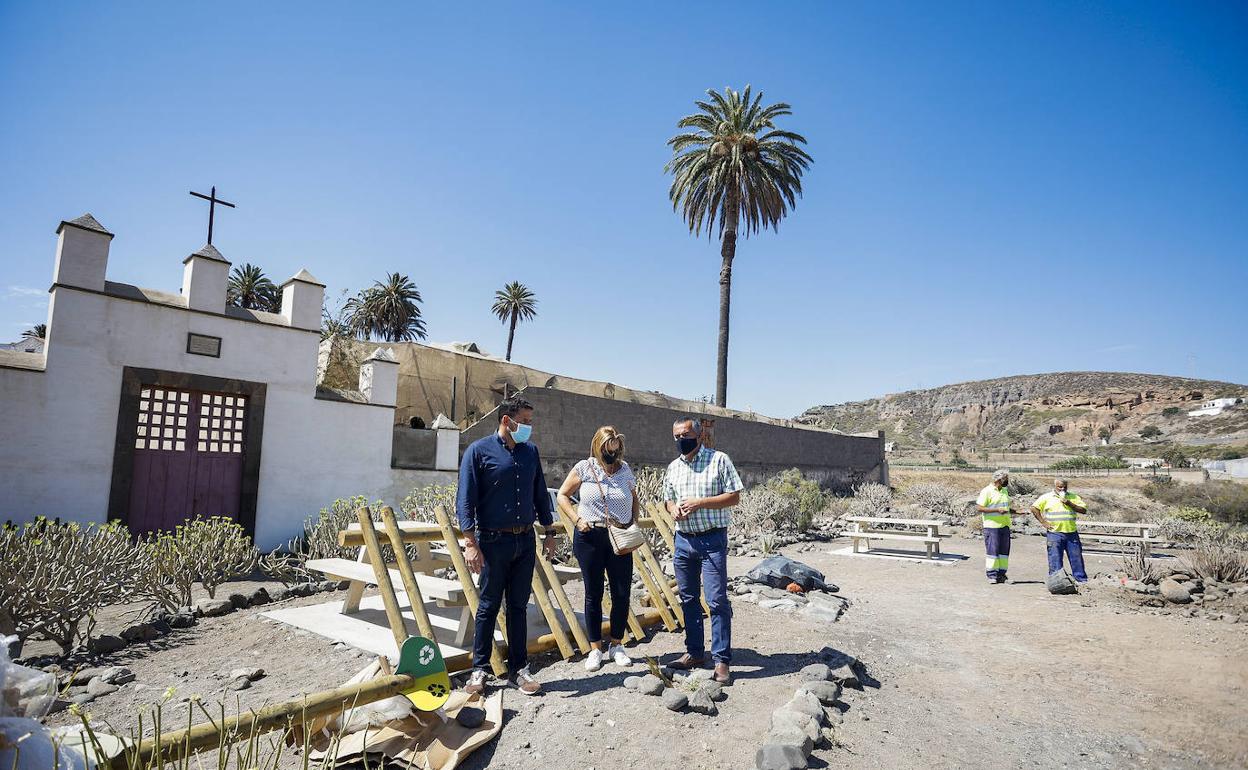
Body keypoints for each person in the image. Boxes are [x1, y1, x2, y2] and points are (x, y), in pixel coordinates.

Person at [455, 396, 558, 696]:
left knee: (517, 607)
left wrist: (549, 531)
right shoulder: (478, 451)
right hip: (492, 541)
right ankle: (479, 671)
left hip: (524, 540)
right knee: (487, 606)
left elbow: (540, 494)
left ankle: (519, 670)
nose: (529, 427)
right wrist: (470, 542)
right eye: (524, 421)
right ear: (506, 420)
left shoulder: (530, 453)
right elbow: (465, 500)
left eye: (530, 421)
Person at [662, 417, 742, 684]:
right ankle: (695, 653)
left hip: (711, 541)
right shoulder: (673, 467)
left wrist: (701, 503)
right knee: (688, 599)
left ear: (698, 435)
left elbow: (734, 496)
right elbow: (667, 498)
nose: (680, 440)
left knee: (717, 600)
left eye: (685, 434)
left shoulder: (719, 460)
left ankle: (721, 660)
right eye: (676, 437)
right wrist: (672, 509)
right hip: (683, 541)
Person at [555, 426, 638, 671]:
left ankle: (617, 644)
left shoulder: (625, 470)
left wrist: (633, 521)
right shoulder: (584, 467)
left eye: (616, 449)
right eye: (607, 450)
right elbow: (562, 495)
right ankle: (595, 649)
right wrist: (577, 520)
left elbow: (634, 498)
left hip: (619, 536)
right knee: (593, 593)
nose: (612, 454)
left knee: (621, 592)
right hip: (590, 535)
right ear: (598, 447)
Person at [1030, 478, 1089, 582]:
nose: (1063, 489)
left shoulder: (1073, 497)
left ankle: (1081, 580)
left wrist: (1070, 504)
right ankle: (1056, 581)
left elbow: (1083, 510)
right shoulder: (1047, 497)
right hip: (1055, 533)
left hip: (1071, 532)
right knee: (1055, 558)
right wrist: (1043, 522)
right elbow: (1034, 508)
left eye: (1065, 487)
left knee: (1076, 557)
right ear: (1055, 486)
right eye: (1060, 487)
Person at [976, 469, 1015, 584]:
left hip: (1005, 525)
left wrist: (1017, 511)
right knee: (993, 551)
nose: (1007, 481)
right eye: (1005, 479)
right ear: (998, 479)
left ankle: (1002, 575)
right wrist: (996, 510)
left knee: (1004, 552)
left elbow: (1005, 507)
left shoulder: (1004, 491)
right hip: (992, 526)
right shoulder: (987, 491)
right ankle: (992, 575)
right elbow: (979, 507)